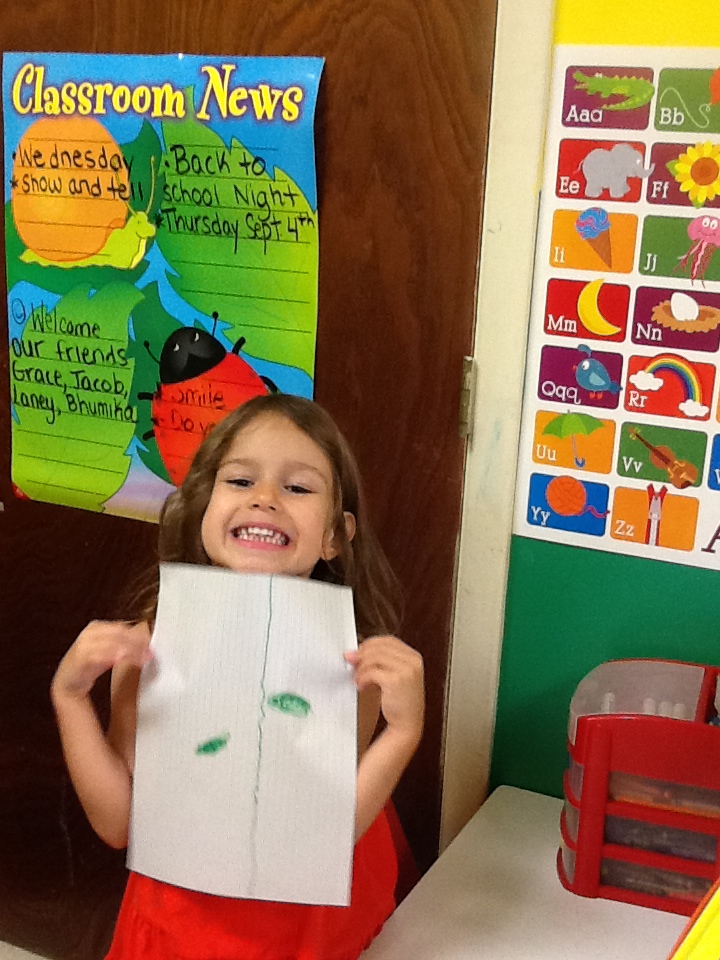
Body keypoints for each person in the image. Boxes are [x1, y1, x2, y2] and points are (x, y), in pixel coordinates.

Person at [51, 393, 425, 960]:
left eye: (298, 488)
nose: (266, 500)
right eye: (240, 481)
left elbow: (326, 835)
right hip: (185, 925)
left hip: (311, 928)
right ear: (204, 506)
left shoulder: (350, 666)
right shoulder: (149, 647)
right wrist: (70, 696)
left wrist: (403, 732)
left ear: (335, 535)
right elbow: (120, 823)